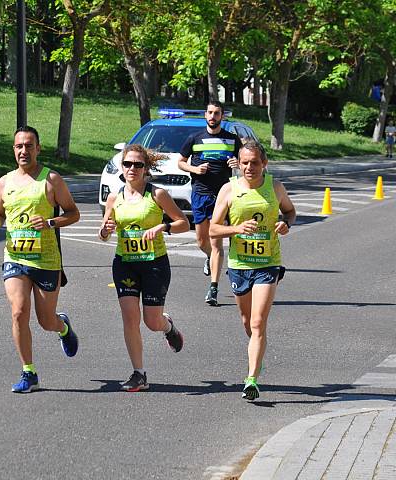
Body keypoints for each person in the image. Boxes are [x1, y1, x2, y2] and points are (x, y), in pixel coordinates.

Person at [0, 126, 80, 393]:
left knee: (45, 320)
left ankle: (63, 327)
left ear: (38, 148)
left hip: (46, 260)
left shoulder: (52, 180)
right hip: (15, 256)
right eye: (19, 147)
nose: (23, 151)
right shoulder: (4, 182)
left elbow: (73, 214)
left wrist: (49, 222)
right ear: (13, 150)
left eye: (28, 146)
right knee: (18, 312)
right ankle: (29, 372)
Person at [209, 140, 296, 401]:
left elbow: (290, 212)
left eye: (255, 162)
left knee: (258, 322)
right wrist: (236, 229)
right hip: (239, 266)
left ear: (264, 163)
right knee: (247, 322)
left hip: (268, 263)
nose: (249, 167)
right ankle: (256, 346)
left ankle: (251, 379)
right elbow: (213, 229)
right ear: (239, 163)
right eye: (245, 162)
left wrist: (285, 223)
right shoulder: (229, 189)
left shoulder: (275, 187)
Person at [99, 144, 190, 392]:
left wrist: (164, 227)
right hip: (125, 264)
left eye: (138, 165)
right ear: (122, 166)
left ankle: (168, 326)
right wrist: (105, 231)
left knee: (151, 322)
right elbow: (106, 231)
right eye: (128, 164)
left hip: (154, 264)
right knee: (130, 318)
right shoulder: (114, 197)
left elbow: (183, 223)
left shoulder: (157, 195)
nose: (132, 169)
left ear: (146, 168)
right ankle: (139, 373)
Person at [177, 100, 242, 306]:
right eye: (210, 113)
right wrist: (195, 170)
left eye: (217, 113)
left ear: (222, 116)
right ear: (205, 115)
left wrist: (237, 164)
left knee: (216, 243)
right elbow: (180, 161)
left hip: (223, 195)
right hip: (200, 193)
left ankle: (213, 288)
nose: (213, 117)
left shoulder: (232, 139)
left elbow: (244, 162)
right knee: (201, 241)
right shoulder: (194, 138)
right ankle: (209, 258)